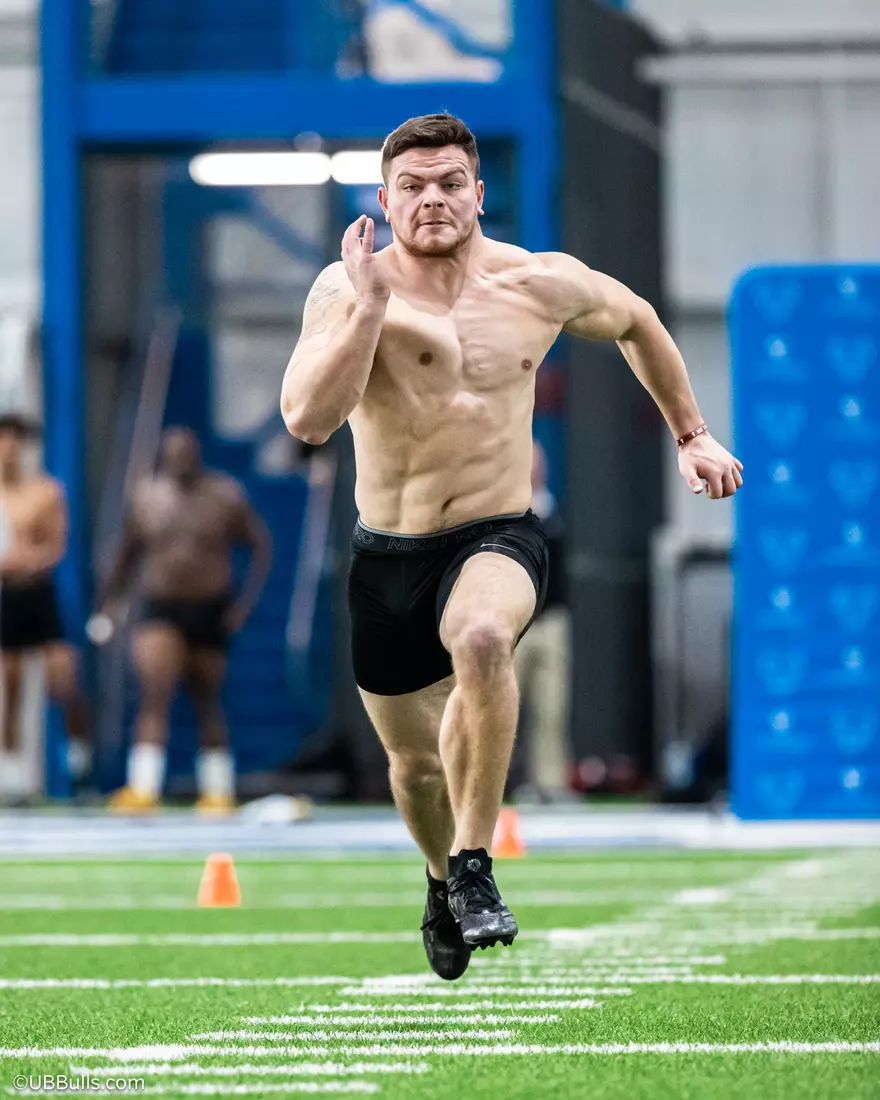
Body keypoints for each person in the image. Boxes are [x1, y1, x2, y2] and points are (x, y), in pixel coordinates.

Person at [280, 113, 743, 980]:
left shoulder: (539, 282)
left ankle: (474, 865)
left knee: (486, 639)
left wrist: (692, 436)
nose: (432, 201)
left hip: (497, 532)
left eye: (449, 183)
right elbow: (306, 420)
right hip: (388, 552)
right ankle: (436, 882)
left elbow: (639, 320)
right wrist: (370, 311)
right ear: (385, 200)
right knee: (414, 766)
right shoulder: (347, 290)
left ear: (478, 193)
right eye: (412, 187)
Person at [100, 427, 272, 815]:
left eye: (185, 452)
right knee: (155, 691)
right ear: (165, 456)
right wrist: (110, 603)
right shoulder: (147, 498)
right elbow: (126, 555)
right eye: (172, 453)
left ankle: (217, 790)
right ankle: (143, 788)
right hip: (160, 606)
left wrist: (243, 606)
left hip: (210, 607)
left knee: (207, 697)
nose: (179, 459)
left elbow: (261, 546)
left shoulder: (224, 496)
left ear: (197, 455)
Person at [0, 413, 92, 785]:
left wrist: (28, 560)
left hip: (39, 593)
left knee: (63, 678)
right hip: (6, 595)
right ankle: (10, 773)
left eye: (13, 441)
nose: (7, 449)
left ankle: (79, 760)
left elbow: (56, 545)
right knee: (10, 683)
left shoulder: (46, 491)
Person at [513, 439, 572, 803]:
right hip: (516, 625)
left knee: (551, 708)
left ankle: (550, 782)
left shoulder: (552, 511)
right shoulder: (508, 511)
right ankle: (499, 783)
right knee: (501, 707)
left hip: (551, 622)